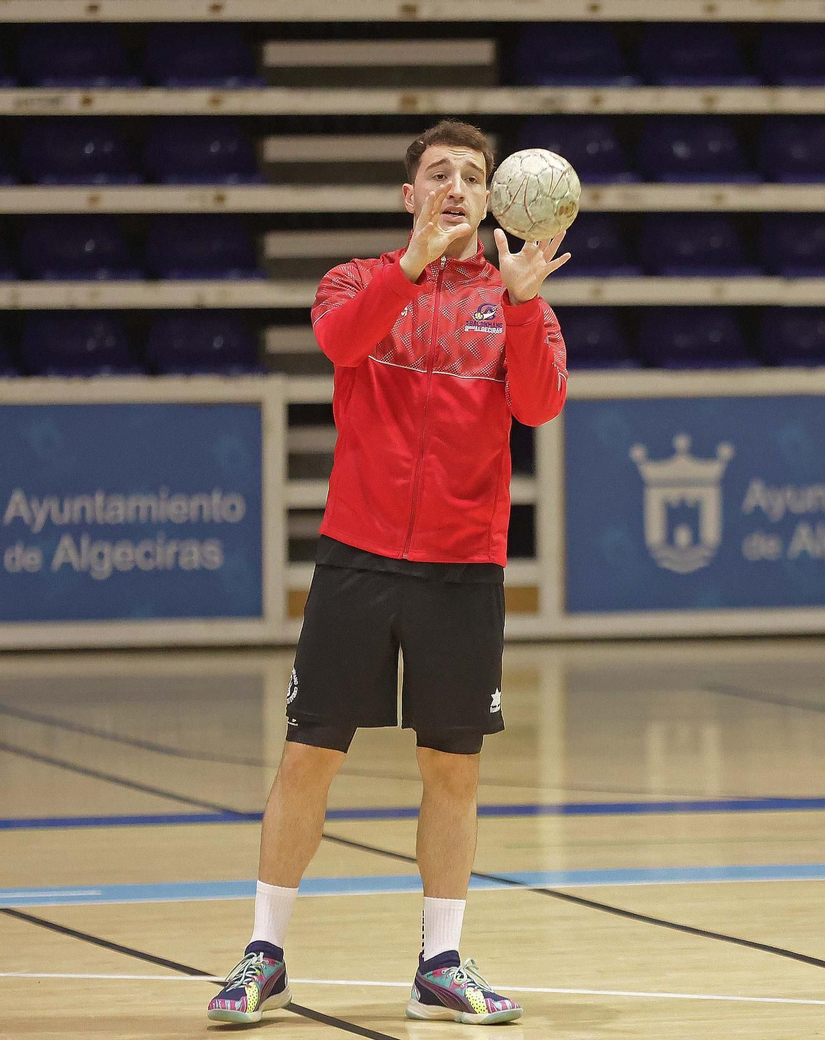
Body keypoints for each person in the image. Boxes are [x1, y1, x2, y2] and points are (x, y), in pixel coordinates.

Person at [207, 119, 571, 1026]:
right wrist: (408, 266)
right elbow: (338, 343)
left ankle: (439, 962)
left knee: (453, 770)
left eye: (472, 177)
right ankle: (265, 952)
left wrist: (523, 305)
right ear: (410, 197)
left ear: (492, 200)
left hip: (462, 569)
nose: (456, 187)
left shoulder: (516, 298)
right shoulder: (358, 283)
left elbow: (540, 404)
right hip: (357, 558)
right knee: (309, 756)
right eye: (438, 174)